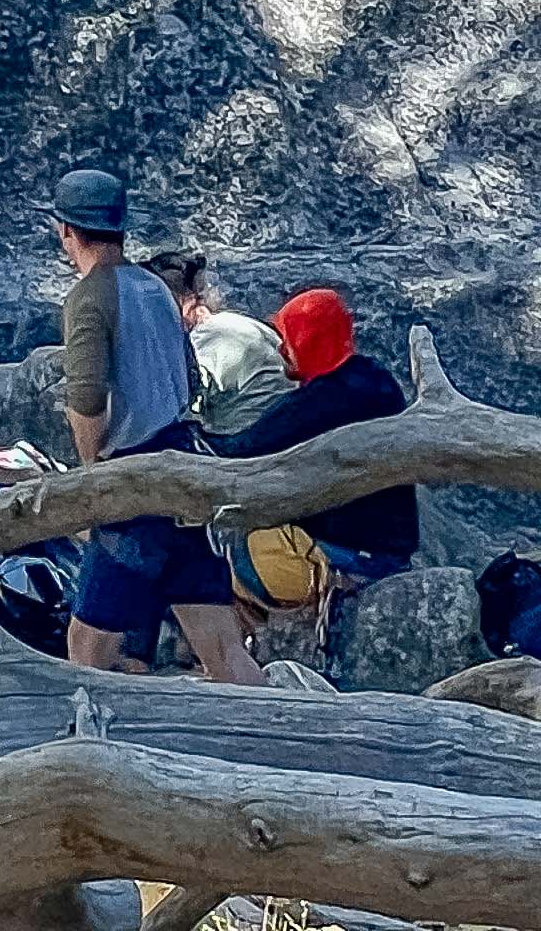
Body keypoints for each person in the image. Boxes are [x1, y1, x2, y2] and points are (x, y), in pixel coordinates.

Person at [47, 166, 262, 683]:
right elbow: (189, 376)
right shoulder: (157, 289)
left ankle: (84, 750)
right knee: (221, 645)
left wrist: (90, 470)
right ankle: (284, 729)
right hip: (184, 473)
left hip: (134, 484)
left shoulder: (89, 296)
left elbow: (87, 395)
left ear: (67, 232)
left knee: (87, 642)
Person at [219, 287, 419, 604]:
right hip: (393, 551)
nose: (283, 349)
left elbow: (242, 449)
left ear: (308, 340)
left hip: (350, 556)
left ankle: (268, 631)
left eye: (290, 338)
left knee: (230, 549)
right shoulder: (376, 379)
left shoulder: (320, 403)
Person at [145, 251, 292, 440]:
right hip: (282, 425)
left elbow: (186, 409)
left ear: (184, 302)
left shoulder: (203, 339)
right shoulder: (239, 323)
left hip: (246, 440)